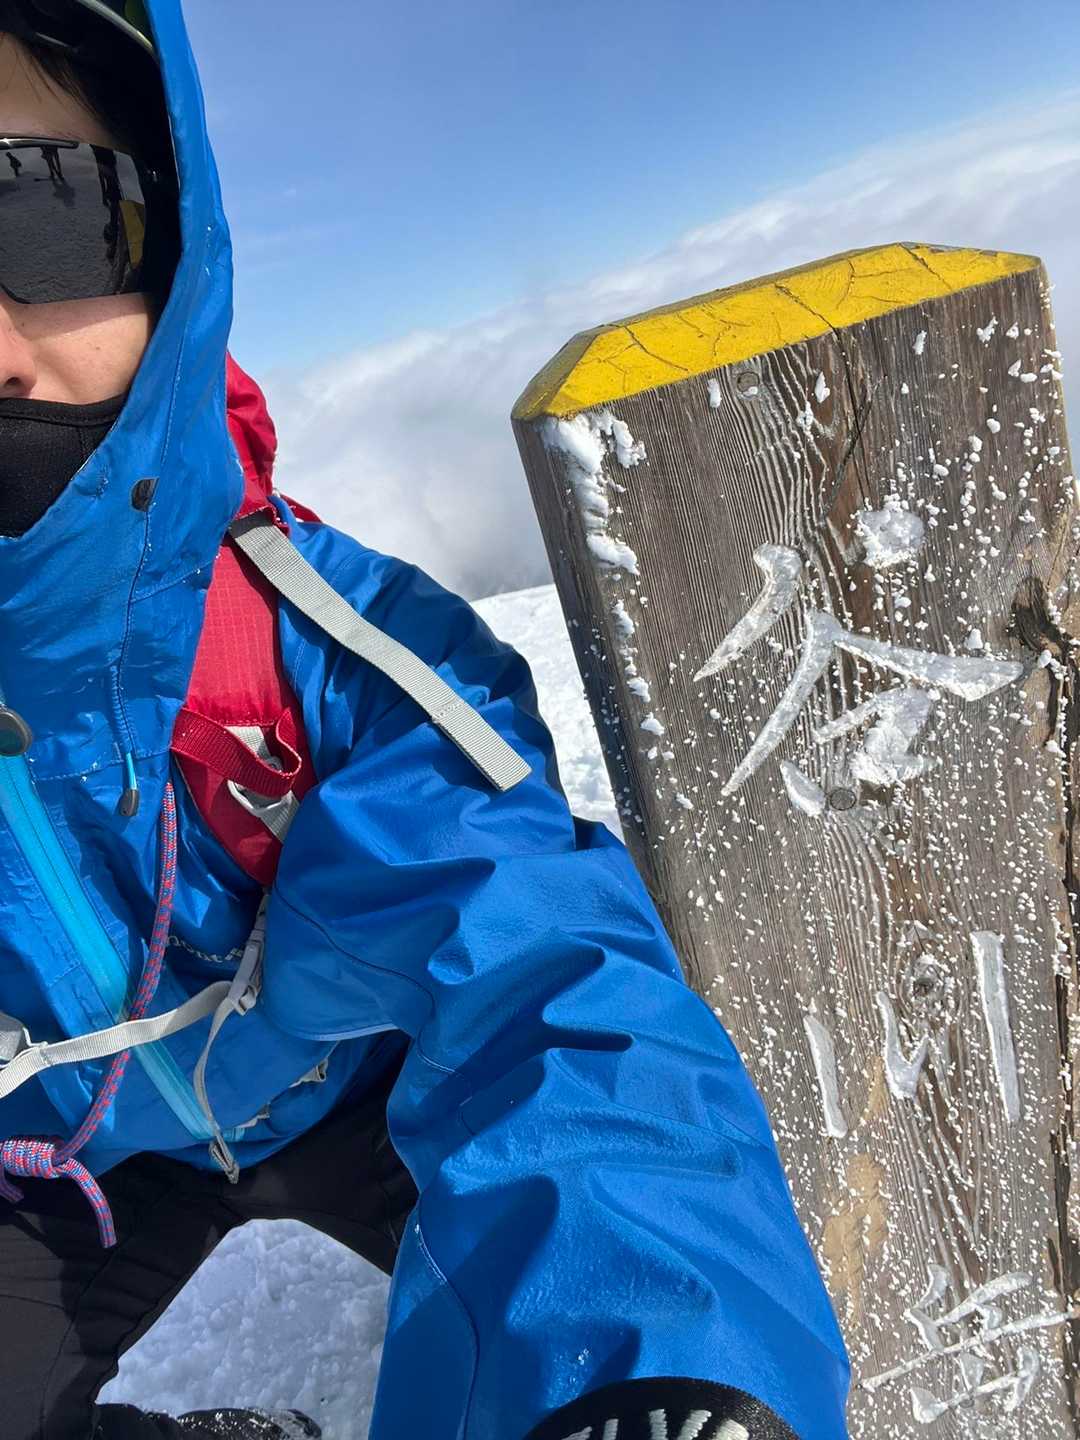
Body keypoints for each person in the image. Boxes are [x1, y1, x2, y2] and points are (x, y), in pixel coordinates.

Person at [0, 2, 850, 1438]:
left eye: (40, 212)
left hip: (365, 1105)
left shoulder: (327, 649)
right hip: (79, 1178)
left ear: (167, 243)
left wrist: (652, 1371)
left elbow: (539, 977)